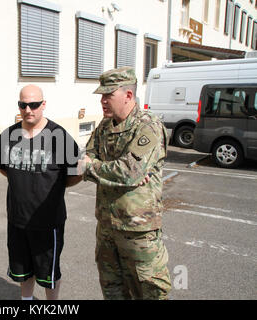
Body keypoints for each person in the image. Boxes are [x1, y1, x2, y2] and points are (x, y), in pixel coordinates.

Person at [78, 67, 172, 300]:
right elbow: (82, 162)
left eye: (108, 95)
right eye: (101, 95)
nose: (102, 100)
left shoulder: (148, 126)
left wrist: (95, 167)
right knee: (112, 290)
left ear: (128, 95)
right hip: (107, 226)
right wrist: (117, 172)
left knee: (149, 292)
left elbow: (129, 171)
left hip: (138, 230)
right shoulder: (104, 127)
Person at [0, 84, 81, 300]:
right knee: (23, 269)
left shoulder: (59, 137)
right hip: (17, 219)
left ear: (43, 104)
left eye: (33, 104)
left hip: (47, 221)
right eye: (23, 105)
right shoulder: (8, 136)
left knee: (48, 273)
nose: (28, 110)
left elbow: (76, 173)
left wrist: (53, 187)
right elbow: (5, 170)